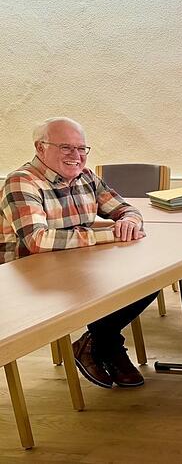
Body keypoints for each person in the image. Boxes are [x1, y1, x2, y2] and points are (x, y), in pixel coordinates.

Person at [0, 117, 154, 389]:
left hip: (74, 266)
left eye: (82, 148)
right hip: (28, 278)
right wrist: (109, 234)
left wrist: (129, 222)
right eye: (66, 148)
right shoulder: (21, 182)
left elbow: (125, 209)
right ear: (40, 147)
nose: (77, 156)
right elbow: (37, 240)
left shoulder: (86, 177)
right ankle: (106, 345)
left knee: (151, 275)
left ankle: (99, 343)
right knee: (111, 281)